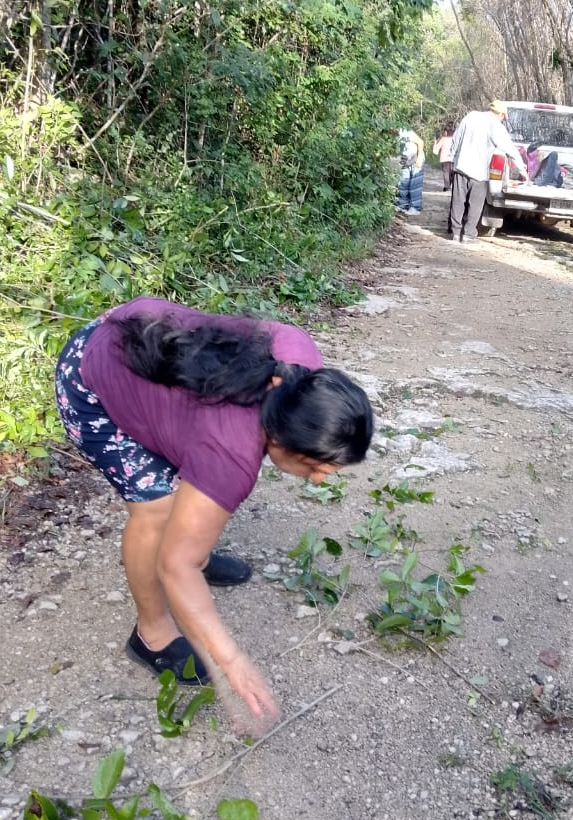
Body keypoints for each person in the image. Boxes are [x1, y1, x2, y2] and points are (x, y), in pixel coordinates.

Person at [55, 296, 373, 724]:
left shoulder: (299, 365)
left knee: (192, 520)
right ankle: (151, 634)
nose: (319, 479)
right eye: (315, 466)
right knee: (158, 512)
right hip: (91, 376)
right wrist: (232, 662)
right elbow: (175, 567)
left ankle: (195, 545)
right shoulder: (231, 454)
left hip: (144, 346)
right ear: (279, 438)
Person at [448, 100, 528, 243]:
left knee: (458, 201)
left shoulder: (471, 116)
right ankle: (468, 235)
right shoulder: (496, 126)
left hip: (461, 166)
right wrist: (522, 170)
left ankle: (455, 233)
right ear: (502, 115)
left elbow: (456, 139)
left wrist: (452, 159)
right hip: (479, 173)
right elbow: (510, 149)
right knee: (475, 204)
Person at [397, 128, 425, 215]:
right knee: (403, 182)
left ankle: (415, 208)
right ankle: (403, 205)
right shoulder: (390, 137)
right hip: (405, 160)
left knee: (415, 184)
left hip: (416, 158)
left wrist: (419, 158)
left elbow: (420, 142)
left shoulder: (405, 131)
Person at [433, 123, 455, 192]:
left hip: (444, 159)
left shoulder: (443, 139)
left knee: (446, 173)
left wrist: (435, 143)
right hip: (453, 159)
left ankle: (447, 186)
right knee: (452, 173)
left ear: (446, 131)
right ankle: (451, 185)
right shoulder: (455, 139)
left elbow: (436, 149)